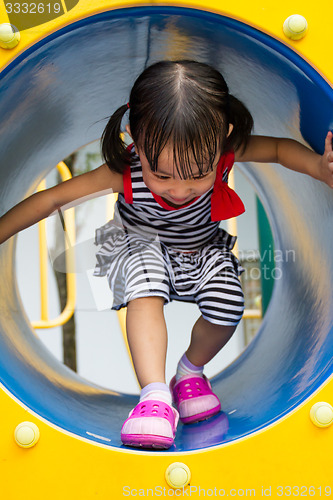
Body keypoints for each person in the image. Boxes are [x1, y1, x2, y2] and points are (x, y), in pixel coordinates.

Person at [0, 60, 332, 450]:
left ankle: (190, 371)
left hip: (202, 248)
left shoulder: (225, 150)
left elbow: (276, 149)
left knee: (228, 303)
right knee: (146, 284)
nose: (179, 190)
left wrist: (317, 167)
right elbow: (53, 197)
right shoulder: (123, 173)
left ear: (221, 137)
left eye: (197, 176)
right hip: (137, 244)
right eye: (164, 175)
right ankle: (154, 396)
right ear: (136, 140)